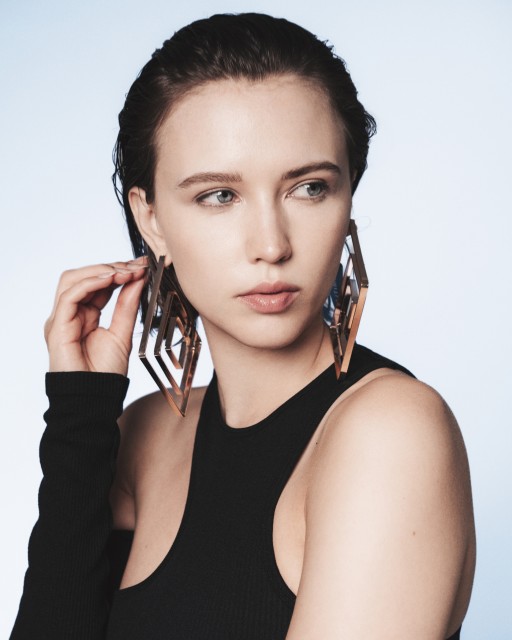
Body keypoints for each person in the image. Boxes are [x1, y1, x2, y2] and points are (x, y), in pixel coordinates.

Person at [10, 12, 475, 640]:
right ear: (150, 219)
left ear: (348, 196)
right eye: (219, 196)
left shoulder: (391, 432)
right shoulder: (143, 436)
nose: (271, 245)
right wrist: (79, 419)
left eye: (309, 188)